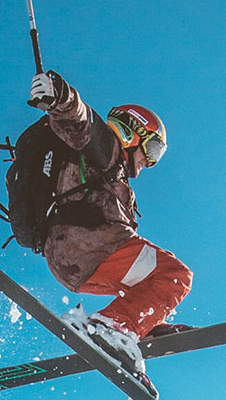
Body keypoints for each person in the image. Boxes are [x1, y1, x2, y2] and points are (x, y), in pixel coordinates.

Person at [28, 70, 193, 392]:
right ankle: (113, 327)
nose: (149, 163)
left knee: (146, 281)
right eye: (153, 151)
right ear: (133, 133)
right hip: (92, 245)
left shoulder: (113, 174)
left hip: (72, 261)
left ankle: (139, 324)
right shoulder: (105, 148)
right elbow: (79, 121)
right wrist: (59, 95)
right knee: (175, 274)